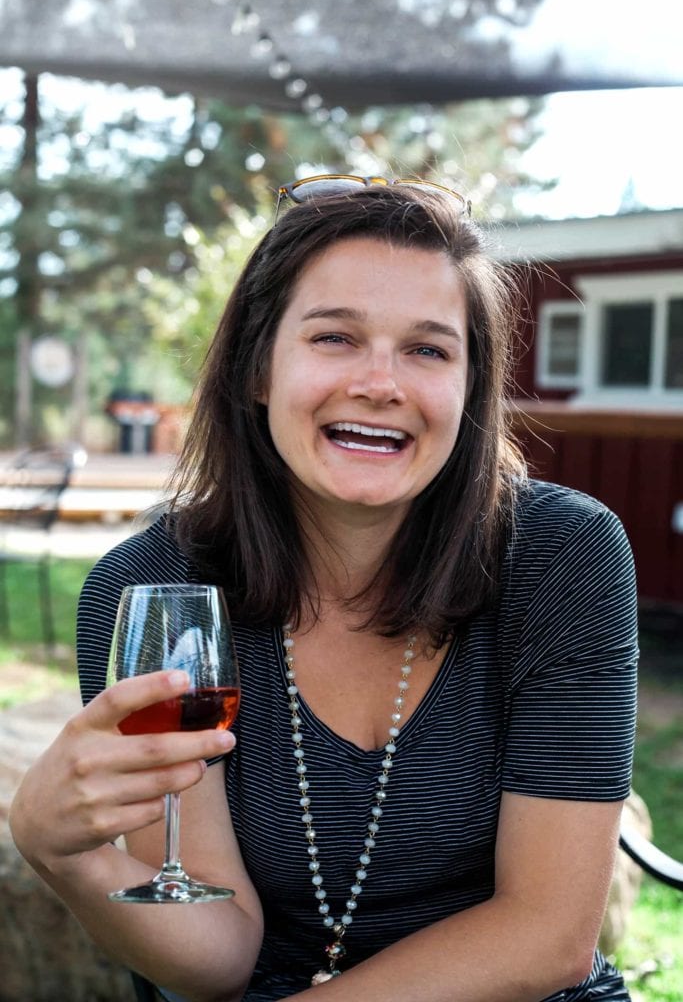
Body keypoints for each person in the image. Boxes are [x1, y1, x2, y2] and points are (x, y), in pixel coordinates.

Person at [10, 176, 638, 1002]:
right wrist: (63, 850)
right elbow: (218, 951)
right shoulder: (151, 590)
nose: (382, 383)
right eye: (335, 338)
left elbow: (548, 934)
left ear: (469, 389)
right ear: (257, 369)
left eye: (427, 349)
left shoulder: (562, 556)